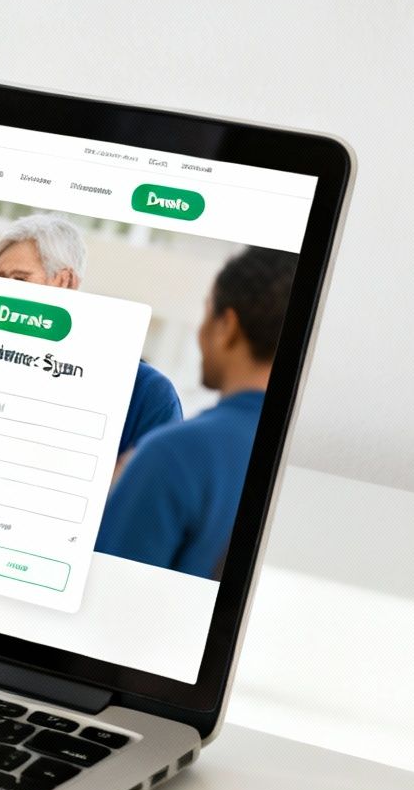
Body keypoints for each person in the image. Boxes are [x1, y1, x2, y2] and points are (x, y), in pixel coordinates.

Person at [96, 247, 298, 577]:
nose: (199, 332)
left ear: (227, 326)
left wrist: (121, 497)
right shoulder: (298, 456)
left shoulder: (174, 454)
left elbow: (107, 608)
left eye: (206, 314)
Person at [0, 213, 181, 458]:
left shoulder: (147, 393)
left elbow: (160, 490)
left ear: (65, 282)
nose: (2, 295)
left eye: (20, 280)